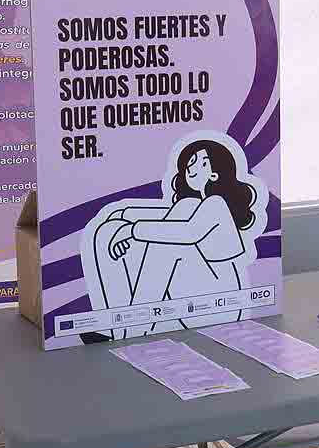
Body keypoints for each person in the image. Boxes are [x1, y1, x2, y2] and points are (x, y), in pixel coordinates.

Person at [89, 135, 262, 336]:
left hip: (224, 301)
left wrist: (130, 230)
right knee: (161, 221)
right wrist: (122, 215)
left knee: (167, 245)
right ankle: (119, 322)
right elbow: (164, 218)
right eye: (191, 162)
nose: (192, 166)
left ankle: (135, 326)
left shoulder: (216, 204)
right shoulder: (191, 205)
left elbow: (187, 232)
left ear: (215, 174)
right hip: (200, 298)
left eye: (202, 162)